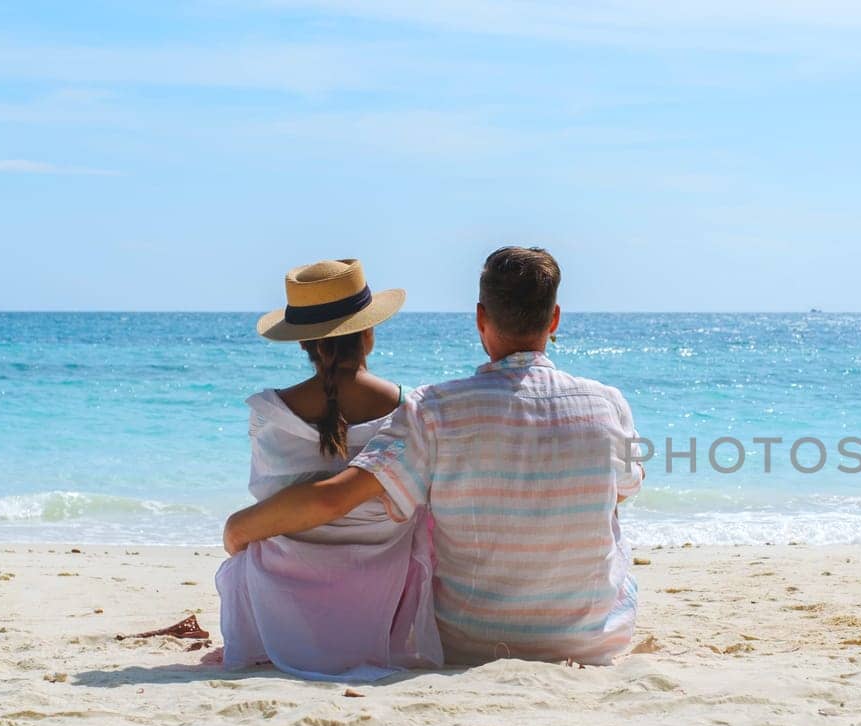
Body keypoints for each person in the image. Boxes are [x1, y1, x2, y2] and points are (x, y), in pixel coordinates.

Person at [223, 246, 643, 665]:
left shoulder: (435, 409)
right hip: (592, 644)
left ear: (481, 318)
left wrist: (238, 528)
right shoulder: (609, 404)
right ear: (554, 320)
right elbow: (623, 490)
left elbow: (335, 497)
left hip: (468, 644)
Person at [214, 258, 442, 680]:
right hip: (382, 595)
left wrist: (236, 531)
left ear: (303, 344)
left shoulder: (268, 414)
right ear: (368, 334)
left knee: (248, 556)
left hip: (280, 600)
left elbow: (268, 500)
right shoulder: (410, 411)